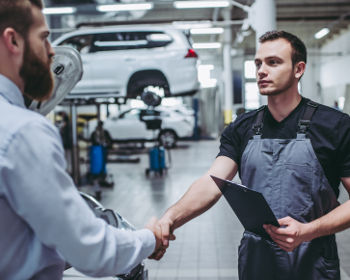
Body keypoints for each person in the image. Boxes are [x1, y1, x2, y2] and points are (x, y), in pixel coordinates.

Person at [154, 30, 350, 279]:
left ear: (298, 69)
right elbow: (210, 183)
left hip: (312, 262)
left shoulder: (334, 126)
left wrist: (308, 231)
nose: (261, 70)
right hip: (257, 262)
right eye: (258, 63)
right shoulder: (242, 127)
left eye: (273, 62)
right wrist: (170, 218)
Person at [0, 1, 163, 279]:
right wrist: (149, 238)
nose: (52, 52)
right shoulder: (22, 132)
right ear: (13, 40)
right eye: (44, 38)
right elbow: (92, 252)